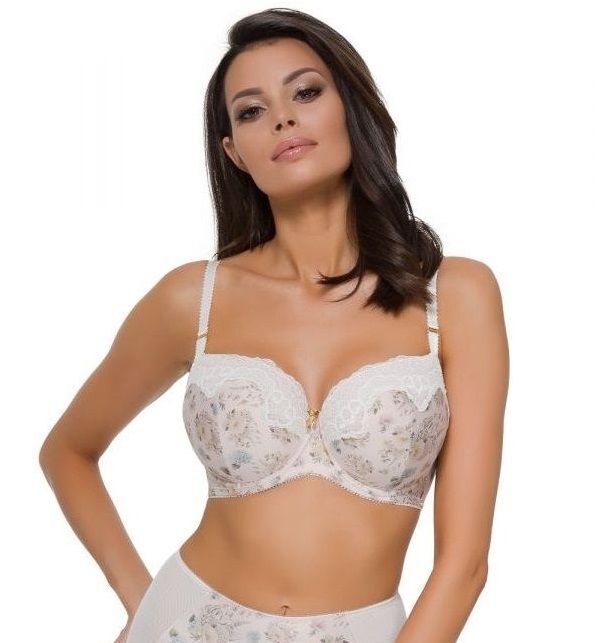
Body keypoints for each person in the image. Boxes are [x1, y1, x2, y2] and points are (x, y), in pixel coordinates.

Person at [39, 8, 509, 643]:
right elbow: (68, 451)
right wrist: (143, 602)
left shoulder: (455, 296)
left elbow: (464, 566)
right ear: (234, 152)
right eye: (252, 110)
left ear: (351, 108)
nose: (283, 119)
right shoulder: (193, 299)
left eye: (306, 93)